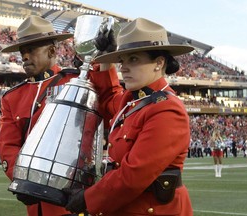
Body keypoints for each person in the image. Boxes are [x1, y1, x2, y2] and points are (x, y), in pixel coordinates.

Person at [62, 17, 194, 216]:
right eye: (122, 60)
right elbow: (108, 98)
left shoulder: (167, 110)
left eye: (133, 59)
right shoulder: (133, 101)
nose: (123, 67)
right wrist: (107, 58)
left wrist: (88, 199)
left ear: (159, 63)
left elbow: (134, 175)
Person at [0, 15, 92, 216]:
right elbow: (7, 145)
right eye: (22, 51)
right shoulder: (12, 97)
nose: (24, 56)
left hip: (72, 195)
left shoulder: (76, 81)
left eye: (31, 50)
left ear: (52, 50)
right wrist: (24, 180)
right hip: (35, 202)